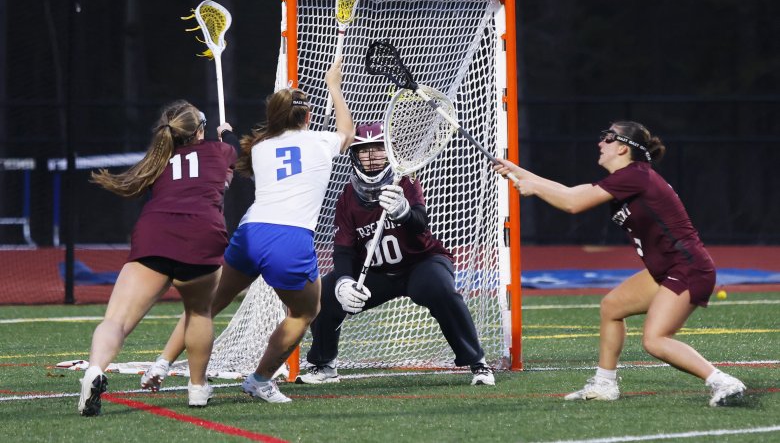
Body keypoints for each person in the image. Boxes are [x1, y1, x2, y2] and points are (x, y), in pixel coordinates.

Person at [140, 57, 353, 403]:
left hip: (250, 233)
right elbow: (348, 131)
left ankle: (161, 364)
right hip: (289, 238)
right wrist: (334, 85)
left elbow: (235, 159)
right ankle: (259, 380)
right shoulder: (322, 142)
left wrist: (225, 138)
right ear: (306, 117)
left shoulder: (259, 147)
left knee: (204, 307)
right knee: (304, 312)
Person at [493, 121, 746, 407]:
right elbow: (570, 192)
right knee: (612, 307)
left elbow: (572, 203)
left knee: (655, 340)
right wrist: (516, 170)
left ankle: (723, 382)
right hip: (667, 269)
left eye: (607, 138)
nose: (600, 143)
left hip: (686, 267)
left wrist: (534, 186)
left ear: (624, 147)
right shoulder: (631, 177)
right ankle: (604, 384)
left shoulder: (635, 175)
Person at [295, 122, 495, 386]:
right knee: (325, 293)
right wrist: (344, 281)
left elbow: (420, 223)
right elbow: (343, 248)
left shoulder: (405, 180)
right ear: (354, 155)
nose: (372, 157)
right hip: (377, 273)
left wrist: (404, 212)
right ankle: (324, 365)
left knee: (440, 290)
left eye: (378, 149)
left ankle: (477, 363)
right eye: (364, 151)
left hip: (419, 263)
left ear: (389, 151)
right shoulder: (347, 196)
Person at [78, 101, 239, 416]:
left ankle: (95, 369)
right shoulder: (219, 151)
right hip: (201, 237)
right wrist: (227, 134)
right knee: (199, 312)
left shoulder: (158, 158)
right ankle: (196, 388)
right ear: (200, 131)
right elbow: (233, 151)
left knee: (116, 321)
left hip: (156, 235)